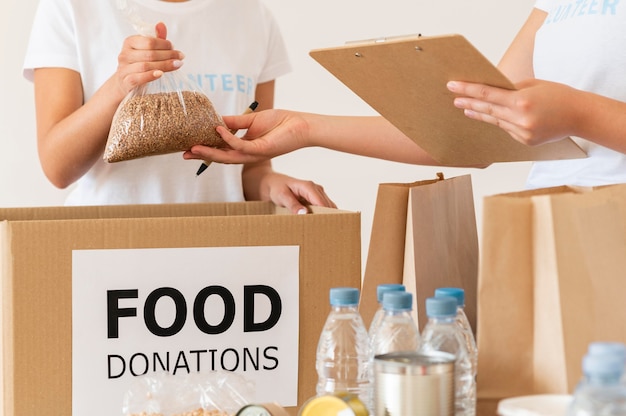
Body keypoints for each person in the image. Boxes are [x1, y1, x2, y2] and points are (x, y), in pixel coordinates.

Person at [185, 0, 626, 189]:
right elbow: (476, 130)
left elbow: (564, 111)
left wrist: (579, 113)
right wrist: (305, 128)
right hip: (553, 227)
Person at [22, 0, 335, 214]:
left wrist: (273, 186)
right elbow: (57, 166)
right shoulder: (71, 7)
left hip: (223, 249)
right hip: (109, 249)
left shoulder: (252, 14)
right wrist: (121, 84)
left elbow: (251, 165)